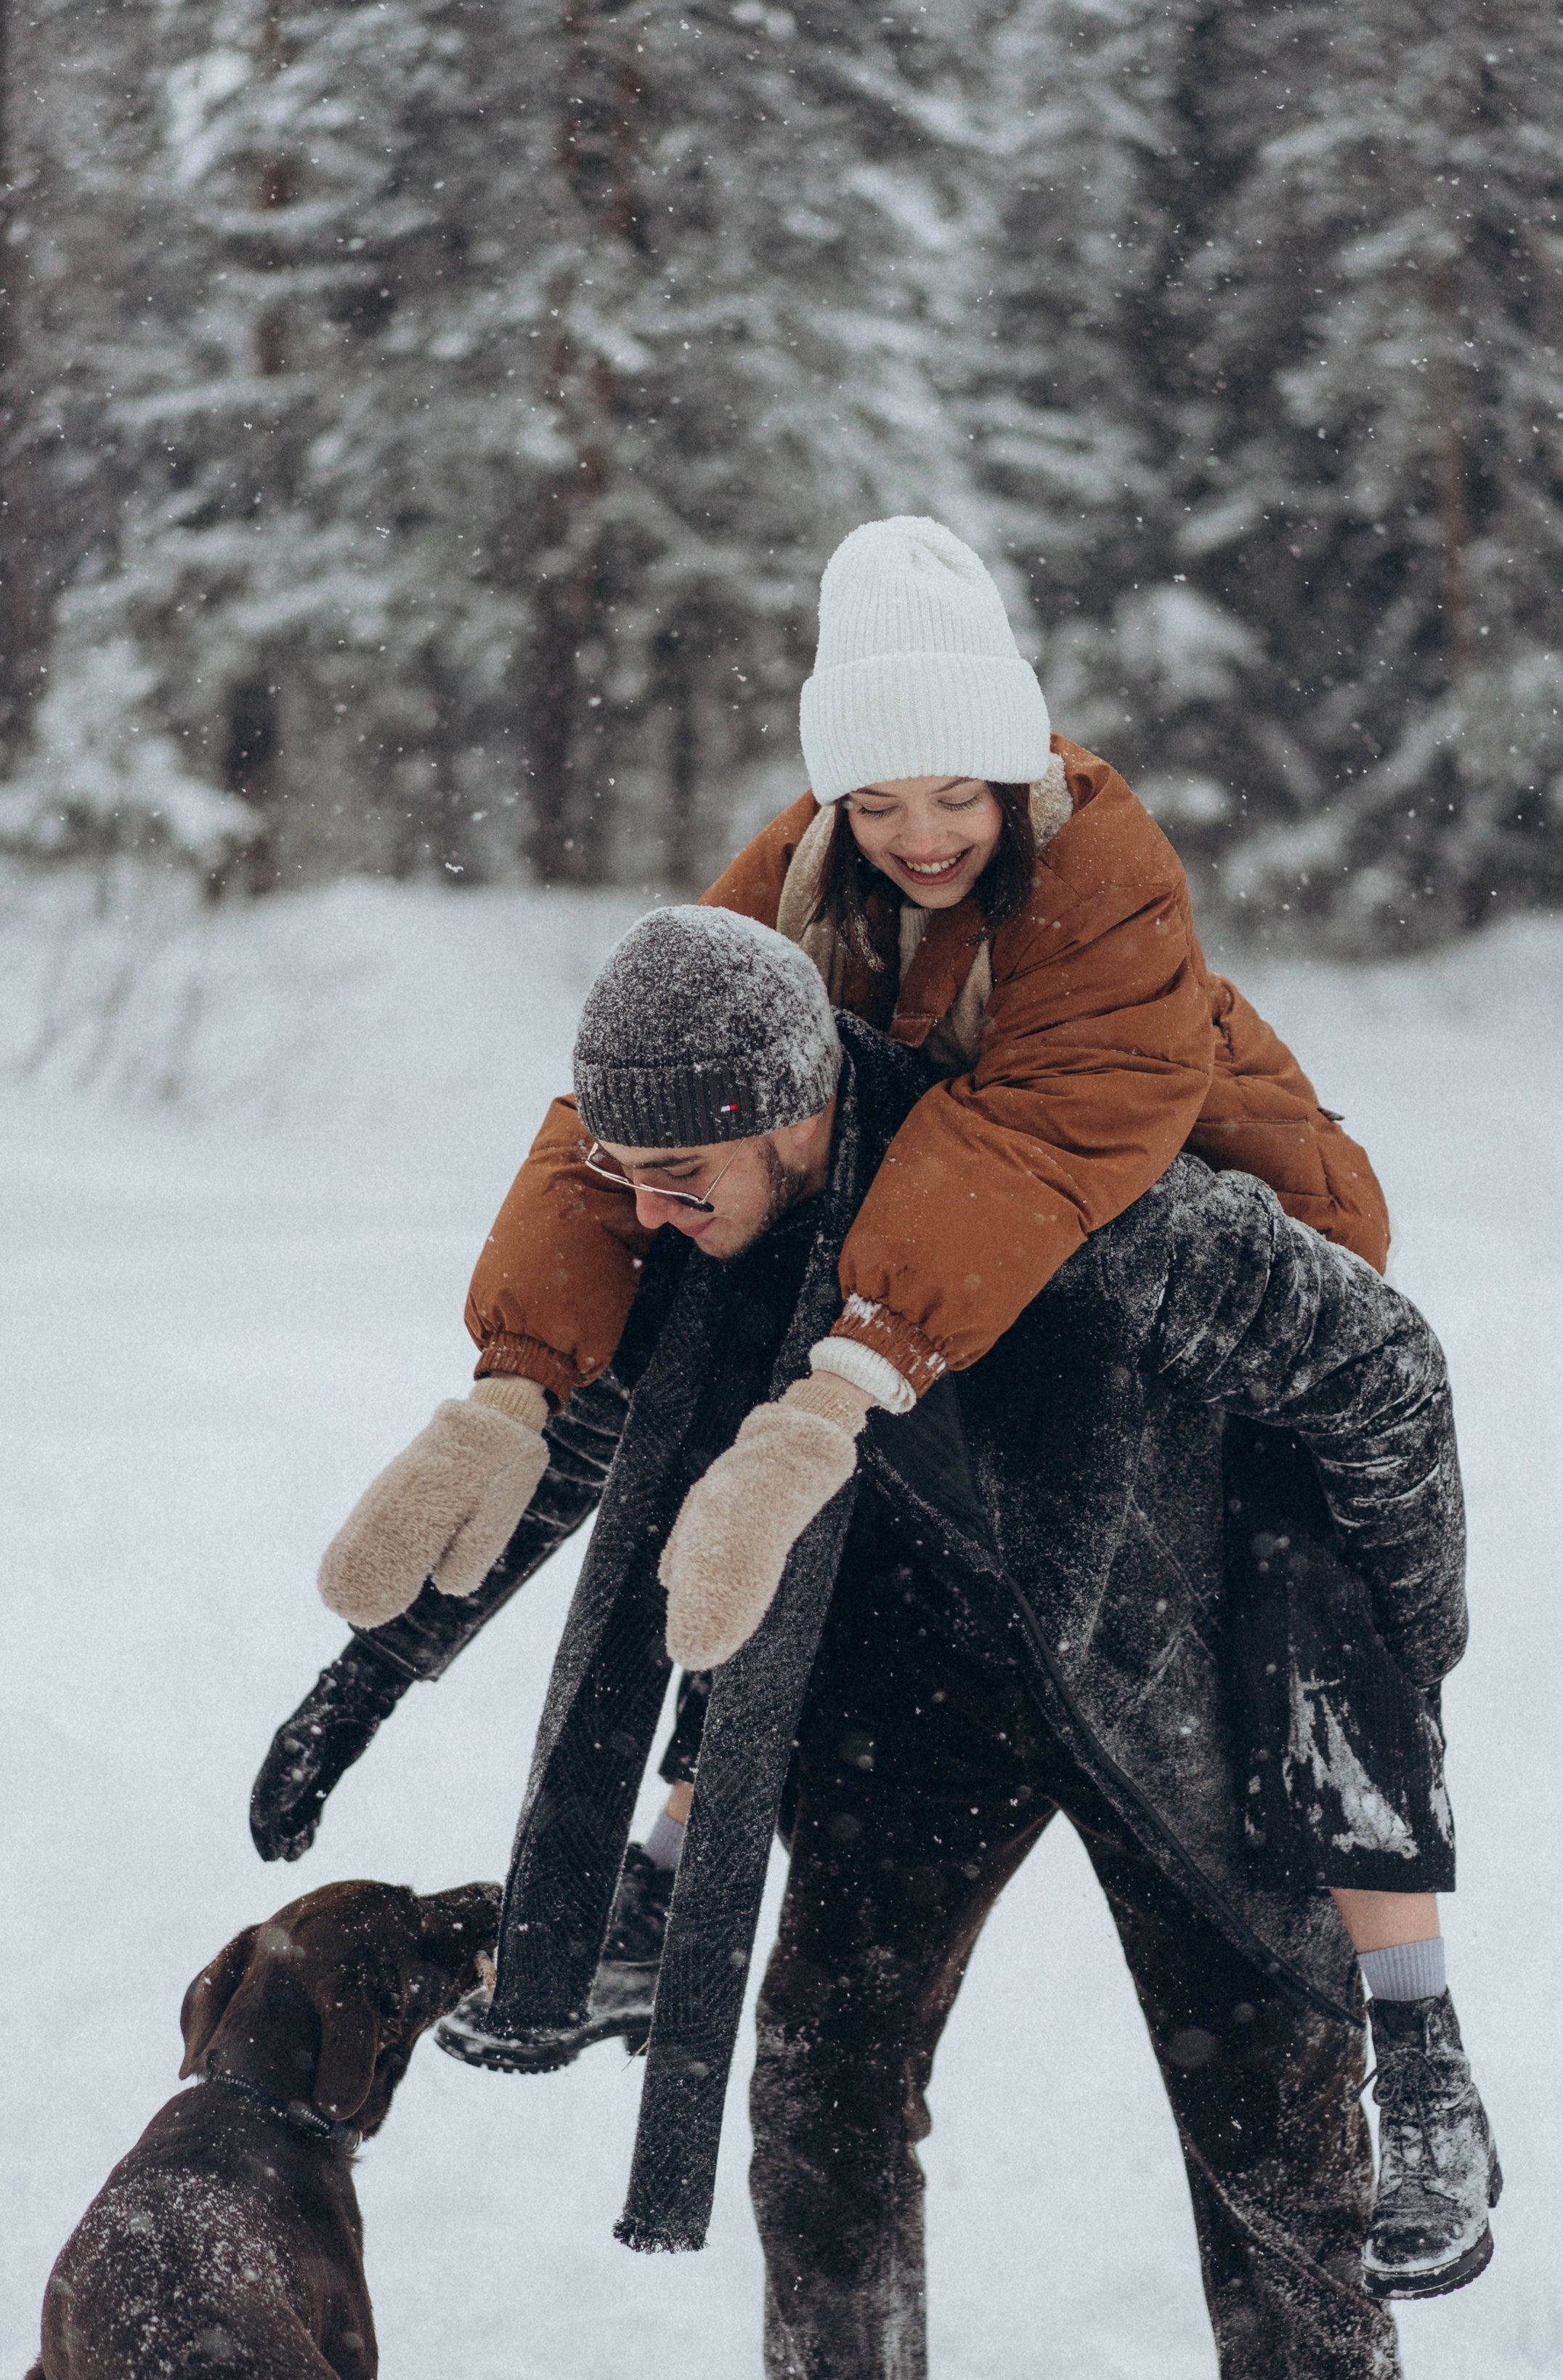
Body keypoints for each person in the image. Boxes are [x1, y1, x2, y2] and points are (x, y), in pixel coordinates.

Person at [283, 903, 1487, 2380]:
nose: (643, 1212)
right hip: (904, 1695)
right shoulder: (702, 1215)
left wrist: (1404, 1640)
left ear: (790, 1114)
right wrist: (372, 1666)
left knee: (1274, 2165)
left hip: (1171, 1683)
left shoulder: (1079, 1195)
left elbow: (1382, 1367)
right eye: (617, 1172)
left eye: (677, 1173)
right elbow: (583, 1429)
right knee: (820, 2089)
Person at [297, 519, 1477, 2249]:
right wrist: (517, 1374)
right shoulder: (792, 878)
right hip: (963, 1277)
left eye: (952, 794)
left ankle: (1421, 2043)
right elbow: (621, 1108)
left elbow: (1039, 1134)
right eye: (875, 805)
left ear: (1010, 765)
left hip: (1197, 1278)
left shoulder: (1104, 870)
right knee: (773, 1499)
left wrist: (854, 1361)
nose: (918, 836)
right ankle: (661, 1877)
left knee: (1301, 1612)